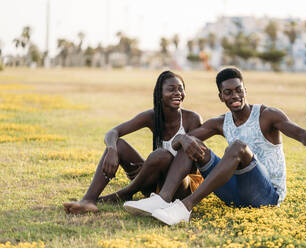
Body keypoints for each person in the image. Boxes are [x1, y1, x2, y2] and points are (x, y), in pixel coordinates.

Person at [123, 67, 306, 225]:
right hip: (235, 194)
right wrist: (184, 139)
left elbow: (305, 138)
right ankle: (162, 199)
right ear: (221, 97)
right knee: (193, 143)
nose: (234, 96)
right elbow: (178, 144)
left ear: (245, 90)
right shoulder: (221, 122)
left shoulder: (267, 115)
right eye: (228, 92)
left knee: (237, 147)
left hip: (266, 195)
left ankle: (185, 208)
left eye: (238, 90)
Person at [63, 70, 203, 214]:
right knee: (119, 144)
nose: (177, 92)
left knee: (161, 155)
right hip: (156, 184)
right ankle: (88, 200)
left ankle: (125, 193)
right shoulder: (152, 116)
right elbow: (113, 132)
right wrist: (112, 150)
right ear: (159, 94)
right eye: (171, 89)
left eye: (181, 89)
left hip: (181, 187)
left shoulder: (192, 119)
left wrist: (151, 165)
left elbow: (192, 163)